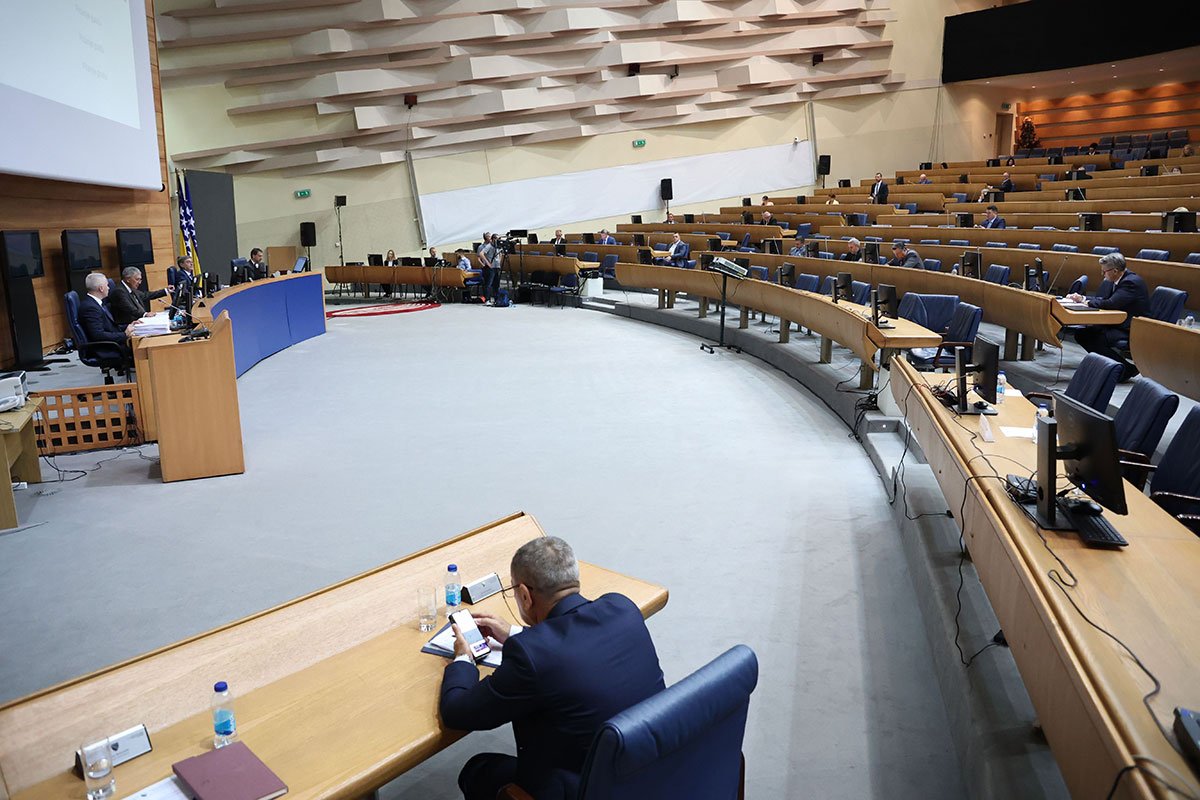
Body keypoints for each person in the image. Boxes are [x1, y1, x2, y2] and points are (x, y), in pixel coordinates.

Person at [440, 536, 664, 800]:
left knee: (478, 771)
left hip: (581, 789)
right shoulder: (622, 607)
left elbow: (458, 712)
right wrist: (514, 633)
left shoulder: (531, 656)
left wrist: (463, 658)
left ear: (525, 595)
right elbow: (573, 644)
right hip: (648, 771)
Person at [1065, 253, 1149, 380]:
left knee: (1095, 338)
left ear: (1115, 271)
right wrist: (1082, 298)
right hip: (1118, 323)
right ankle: (1117, 367)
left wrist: (1086, 302)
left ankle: (1124, 370)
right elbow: (1104, 299)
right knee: (1082, 334)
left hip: (1130, 328)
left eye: (1104, 271)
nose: (1102, 274)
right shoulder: (1118, 280)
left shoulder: (1131, 283)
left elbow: (1111, 304)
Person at [78, 272, 138, 353]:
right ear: (101, 288)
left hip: (112, 345)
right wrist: (124, 335)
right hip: (106, 349)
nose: (109, 288)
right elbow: (98, 335)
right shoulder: (91, 308)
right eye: (107, 285)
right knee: (140, 348)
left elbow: (110, 327)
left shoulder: (96, 303)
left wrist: (129, 325)